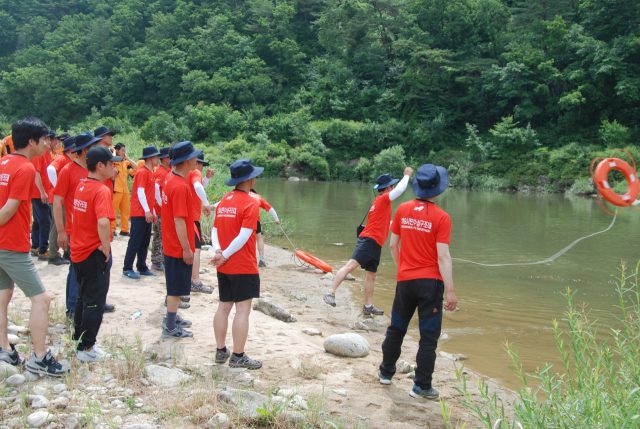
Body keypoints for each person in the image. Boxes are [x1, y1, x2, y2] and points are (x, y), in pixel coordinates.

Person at [378, 164, 457, 400]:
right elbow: (443, 256)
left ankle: (385, 373)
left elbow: (393, 245)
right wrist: (450, 291)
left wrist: (403, 267)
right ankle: (422, 386)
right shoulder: (442, 218)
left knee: (396, 329)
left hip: (405, 281)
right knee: (428, 336)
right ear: (437, 189)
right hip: (430, 285)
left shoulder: (402, 209)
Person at [0, 117, 68, 376]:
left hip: (2, 245)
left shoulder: (3, 162)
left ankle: (4, 349)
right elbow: (8, 210)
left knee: (3, 295)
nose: (48, 145)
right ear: (31, 141)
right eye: (44, 140)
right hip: (11, 245)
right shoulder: (25, 168)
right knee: (42, 299)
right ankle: (39, 358)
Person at [323, 167, 414, 315]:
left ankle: (368, 306)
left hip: (376, 243)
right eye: (392, 186)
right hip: (369, 240)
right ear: (389, 188)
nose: (393, 188)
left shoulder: (380, 202)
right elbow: (400, 190)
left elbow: (386, 223)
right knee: (351, 265)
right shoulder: (383, 199)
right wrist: (407, 176)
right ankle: (330, 292)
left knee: (371, 275)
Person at [209, 158, 264, 370]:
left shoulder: (224, 200)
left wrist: (219, 252)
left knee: (223, 307)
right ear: (250, 179)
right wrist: (225, 255)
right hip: (242, 265)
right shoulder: (251, 202)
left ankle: (221, 351)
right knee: (242, 310)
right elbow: (244, 235)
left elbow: (214, 230)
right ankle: (238, 356)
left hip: (224, 265)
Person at [71, 146, 120, 362]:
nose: (114, 166)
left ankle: (78, 340)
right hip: (92, 252)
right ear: (100, 166)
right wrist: (105, 246)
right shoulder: (101, 190)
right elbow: (102, 221)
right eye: (111, 163)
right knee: (95, 301)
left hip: (79, 250)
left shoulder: (82, 185)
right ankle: (87, 348)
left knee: (83, 297)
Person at [54, 131, 103, 318]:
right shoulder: (68, 170)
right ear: (84, 151)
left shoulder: (95, 170)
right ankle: (72, 308)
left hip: (93, 231)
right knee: (76, 271)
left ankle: (93, 301)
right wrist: (60, 231)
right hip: (75, 231)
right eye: (93, 146)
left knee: (94, 269)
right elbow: (57, 201)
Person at [160, 141, 199, 338]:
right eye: (194, 157)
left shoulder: (169, 177)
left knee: (174, 283)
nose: (196, 160)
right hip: (177, 245)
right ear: (186, 161)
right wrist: (186, 247)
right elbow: (179, 220)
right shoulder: (180, 186)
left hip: (170, 241)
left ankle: (172, 317)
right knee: (175, 288)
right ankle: (170, 326)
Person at [122, 146, 161, 279]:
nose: (158, 159)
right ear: (150, 158)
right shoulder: (142, 172)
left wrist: (153, 211)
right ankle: (127, 267)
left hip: (146, 212)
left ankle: (141, 266)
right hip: (140, 212)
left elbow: (150, 195)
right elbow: (140, 192)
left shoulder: (150, 172)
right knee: (135, 240)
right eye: (156, 157)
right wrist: (147, 211)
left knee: (145, 241)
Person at [47, 136, 76, 265]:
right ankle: (53, 255)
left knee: (65, 225)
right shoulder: (62, 158)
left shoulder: (68, 159)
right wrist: (58, 188)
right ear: (73, 149)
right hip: (59, 200)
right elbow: (50, 169)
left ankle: (65, 251)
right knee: (57, 226)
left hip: (62, 199)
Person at [188, 152, 214, 293]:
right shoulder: (195, 171)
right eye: (202, 165)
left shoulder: (185, 172)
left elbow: (197, 187)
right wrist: (207, 204)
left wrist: (207, 179)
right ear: (197, 162)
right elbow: (198, 187)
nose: (202, 168)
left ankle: (189, 279)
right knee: (196, 249)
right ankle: (195, 281)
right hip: (192, 217)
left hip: (185, 216)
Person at [29, 131, 56, 259]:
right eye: (49, 139)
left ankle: (35, 246)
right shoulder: (39, 155)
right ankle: (43, 249)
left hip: (41, 192)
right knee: (45, 221)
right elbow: (36, 173)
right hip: (38, 193)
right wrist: (42, 192)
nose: (51, 142)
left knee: (38, 221)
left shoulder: (47, 154)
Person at [111, 143, 138, 237]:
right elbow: (111, 161)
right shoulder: (114, 161)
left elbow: (136, 166)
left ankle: (124, 229)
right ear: (117, 150)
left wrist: (127, 157)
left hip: (124, 189)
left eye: (124, 150)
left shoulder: (125, 162)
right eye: (122, 150)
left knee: (125, 211)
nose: (123, 152)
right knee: (113, 210)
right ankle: (112, 229)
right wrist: (113, 151)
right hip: (116, 189)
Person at [249, 189, 280, 267]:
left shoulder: (242, 194)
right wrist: (276, 220)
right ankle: (261, 260)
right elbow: (270, 209)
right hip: (255, 220)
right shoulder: (258, 197)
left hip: (242, 218)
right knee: (259, 238)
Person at [151, 147, 170, 272]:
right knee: (159, 236)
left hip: (159, 209)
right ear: (165, 159)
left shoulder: (162, 170)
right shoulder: (162, 171)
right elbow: (156, 186)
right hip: (159, 211)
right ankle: (157, 261)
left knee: (159, 235)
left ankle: (158, 260)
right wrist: (160, 202)